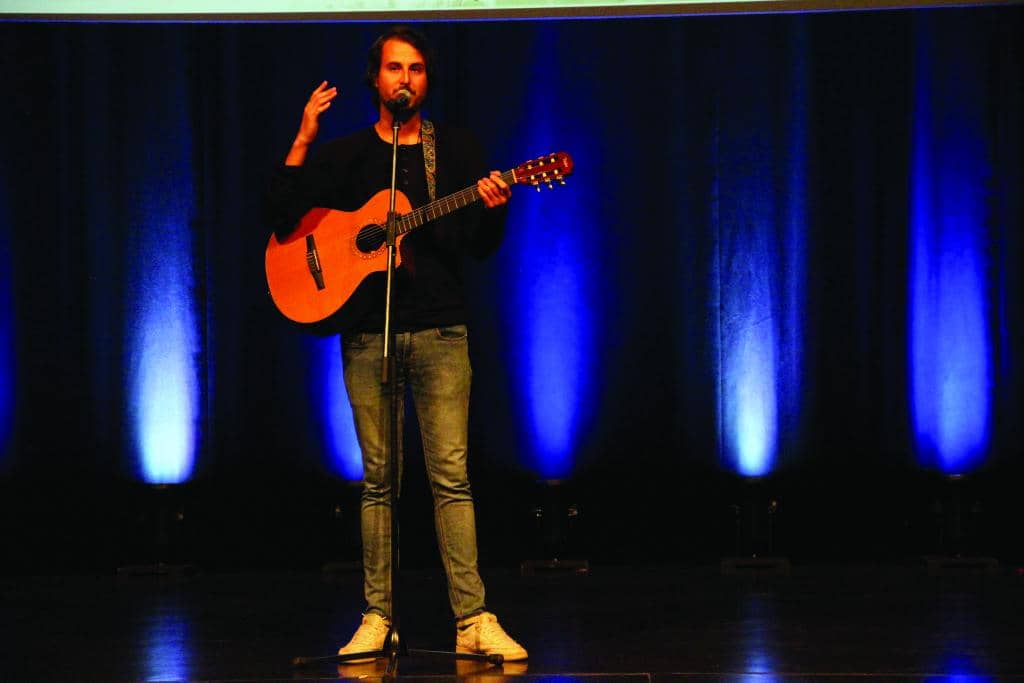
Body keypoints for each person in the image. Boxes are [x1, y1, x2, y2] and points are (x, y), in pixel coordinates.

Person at [265, 26, 528, 662]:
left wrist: (494, 205)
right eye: (392, 68)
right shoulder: (350, 156)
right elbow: (282, 217)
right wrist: (304, 136)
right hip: (369, 335)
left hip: (441, 330)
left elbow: (481, 248)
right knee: (378, 484)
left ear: (425, 81)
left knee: (451, 480)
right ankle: (378, 617)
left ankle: (473, 619)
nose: (403, 78)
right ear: (375, 81)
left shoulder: (456, 150)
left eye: (414, 69)